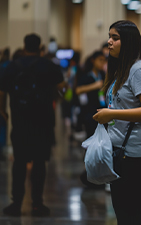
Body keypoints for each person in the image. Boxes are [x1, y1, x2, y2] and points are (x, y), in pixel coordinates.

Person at [92, 20, 141, 225]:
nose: (109, 42)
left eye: (115, 38)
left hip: (140, 152)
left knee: (130, 212)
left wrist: (112, 115)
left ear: (129, 41)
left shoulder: (138, 69)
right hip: (121, 150)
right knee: (122, 211)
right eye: (109, 37)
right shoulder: (120, 70)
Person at [0, 33, 65, 217]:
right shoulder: (49, 66)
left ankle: (16, 204)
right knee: (39, 163)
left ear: (24, 45)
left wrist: (3, 111)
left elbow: (2, 92)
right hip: (42, 122)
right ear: (40, 47)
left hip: (20, 122)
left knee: (19, 163)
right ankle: (37, 204)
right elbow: (62, 88)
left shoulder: (12, 67)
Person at [76, 51, 107, 138]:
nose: (102, 63)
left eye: (104, 61)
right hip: (89, 111)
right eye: (100, 60)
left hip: (102, 109)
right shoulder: (86, 75)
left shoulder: (103, 74)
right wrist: (95, 86)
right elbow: (78, 90)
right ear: (93, 60)